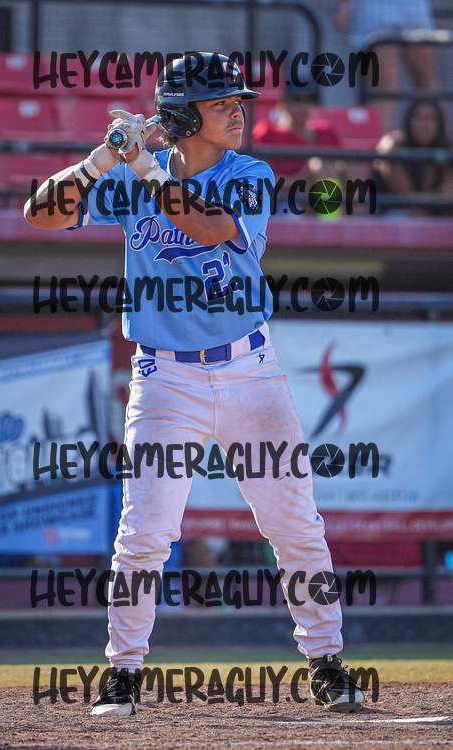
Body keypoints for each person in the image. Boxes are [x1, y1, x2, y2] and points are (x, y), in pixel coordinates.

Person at [24, 52, 364, 717]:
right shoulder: (133, 175)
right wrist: (101, 159)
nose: (237, 112)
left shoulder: (249, 174)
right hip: (164, 376)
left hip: (250, 370)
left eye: (238, 102)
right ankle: (123, 672)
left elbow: (209, 229)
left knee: (295, 526)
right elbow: (40, 213)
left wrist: (144, 166)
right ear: (183, 115)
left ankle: (327, 661)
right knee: (144, 533)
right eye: (220, 104)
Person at [334, 0, 438, 131]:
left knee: (427, 86)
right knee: (387, 89)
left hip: (412, 7)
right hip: (374, 10)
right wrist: (344, 5)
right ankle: (381, 141)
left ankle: (441, 140)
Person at [373, 98, 452, 216]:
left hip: (435, 215)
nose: (425, 125)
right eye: (419, 118)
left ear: (439, 124)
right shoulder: (393, 145)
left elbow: (448, 194)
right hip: (397, 214)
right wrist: (435, 199)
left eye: (431, 119)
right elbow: (406, 197)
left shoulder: (447, 150)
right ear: (408, 121)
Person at [252, 83, 340, 184]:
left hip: (327, 190)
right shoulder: (267, 132)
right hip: (287, 192)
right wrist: (301, 179)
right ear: (282, 105)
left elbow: (341, 166)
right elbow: (260, 178)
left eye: (309, 100)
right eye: (296, 100)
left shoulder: (326, 131)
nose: (304, 106)